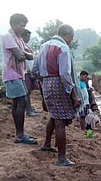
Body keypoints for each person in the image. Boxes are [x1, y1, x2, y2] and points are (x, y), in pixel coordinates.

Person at [32, 24, 82, 166]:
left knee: (54, 116)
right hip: (58, 83)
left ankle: (47, 144)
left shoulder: (43, 46)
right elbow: (65, 74)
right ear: (69, 36)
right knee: (60, 121)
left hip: (46, 83)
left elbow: (34, 69)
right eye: (71, 38)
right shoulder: (63, 48)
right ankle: (61, 158)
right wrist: (73, 94)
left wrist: (44, 83)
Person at [1, 13, 37, 145]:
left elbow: (30, 55)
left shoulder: (19, 39)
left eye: (24, 26)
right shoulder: (8, 37)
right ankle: (20, 135)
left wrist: (24, 54)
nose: (23, 28)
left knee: (17, 103)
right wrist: (24, 54)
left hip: (18, 74)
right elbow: (20, 56)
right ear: (14, 24)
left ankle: (19, 133)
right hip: (12, 74)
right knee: (20, 102)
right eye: (21, 25)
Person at [21, 29, 40, 117]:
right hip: (26, 72)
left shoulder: (26, 46)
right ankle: (28, 110)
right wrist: (31, 72)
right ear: (23, 36)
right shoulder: (22, 47)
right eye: (27, 37)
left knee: (28, 92)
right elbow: (27, 62)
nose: (29, 38)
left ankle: (29, 108)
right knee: (26, 92)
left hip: (29, 72)